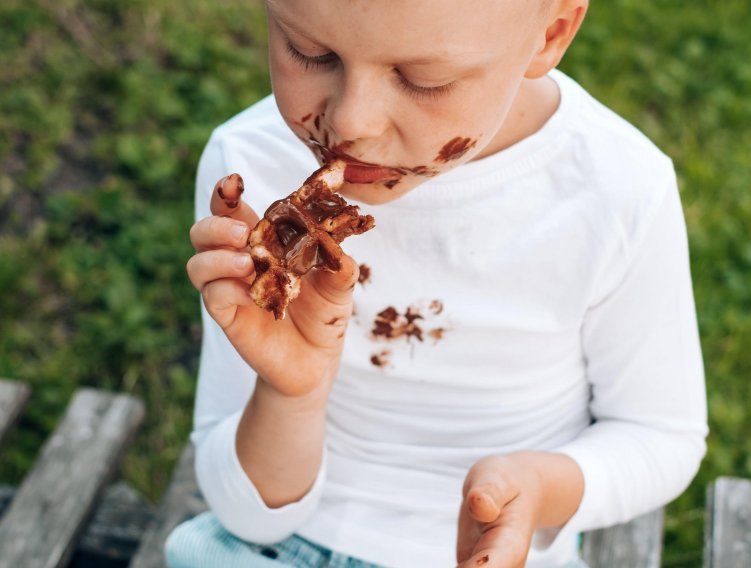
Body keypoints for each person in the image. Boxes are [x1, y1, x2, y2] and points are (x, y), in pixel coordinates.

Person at [167, 0, 708, 566]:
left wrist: (542, 486)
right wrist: (291, 395)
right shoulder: (249, 166)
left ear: (550, 34)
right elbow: (244, 514)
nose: (352, 122)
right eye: (309, 52)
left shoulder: (618, 189)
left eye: (426, 79)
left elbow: (659, 435)